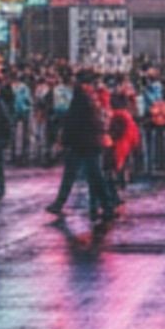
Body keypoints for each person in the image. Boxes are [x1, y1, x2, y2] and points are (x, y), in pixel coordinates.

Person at [48, 77, 116, 223]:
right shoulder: (89, 101)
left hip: (82, 144)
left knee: (83, 176)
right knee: (92, 176)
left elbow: (71, 123)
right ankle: (107, 205)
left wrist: (65, 140)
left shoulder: (81, 101)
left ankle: (60, 203)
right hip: (87, 144)